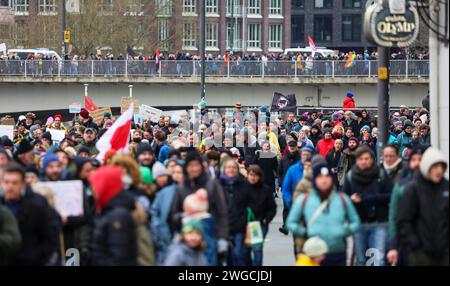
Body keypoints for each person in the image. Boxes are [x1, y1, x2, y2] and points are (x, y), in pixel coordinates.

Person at [287, 159, 360, 266]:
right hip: (314, 253)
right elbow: (291, 222)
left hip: (338, 252)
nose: (324, 180)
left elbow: (355, 222)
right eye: (320, 177)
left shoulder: (342, 199)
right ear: (315, 180)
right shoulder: (305, 199)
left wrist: (345, 231)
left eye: (327, 177)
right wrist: (305, 232)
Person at [170, 151, 229, 266]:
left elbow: (222, 212)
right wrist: (183, 218)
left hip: (209, 234)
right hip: (187, 233)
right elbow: (174, 213)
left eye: (196, 165)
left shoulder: (212, 184)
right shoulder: (181, 187)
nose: (194, 169)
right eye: (190, 166)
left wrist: (223, 237)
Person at [397, 147, 449, 266]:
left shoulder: (446, 187)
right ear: (427, 167)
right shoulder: (413, 188)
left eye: (441, 167)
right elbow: (404, 220)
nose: (439, 170)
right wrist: (415, 243)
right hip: (421, 254)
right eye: (435, 167)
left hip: (444, 252)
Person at [343, 145, 392, 266]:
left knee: (379, 260)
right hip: (359, 222)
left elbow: (390, 195)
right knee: (360, 259)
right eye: (361, 159)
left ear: (372, 159)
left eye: (366, 158)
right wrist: (351, 199)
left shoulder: (381, 174)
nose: (364, 161)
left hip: (379, 222)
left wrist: (373, 199)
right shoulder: (350, 176)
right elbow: (343, 198)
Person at [0, 163, 55, 265]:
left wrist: (37, 258)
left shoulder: (37, 206)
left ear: (23, 184)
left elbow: (49, 239)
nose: (10, 187)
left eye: (14, 183)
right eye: (6, 182)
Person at [387, 145, 427, 266]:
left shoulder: (438, 185)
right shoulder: (400, 186)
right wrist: (393, 245)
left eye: (420, 160)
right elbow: (393, 217)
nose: (417, 164)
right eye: (414, 160)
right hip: (406, 243)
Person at [89, 165, 137, 266]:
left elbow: (119, 258)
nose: (92, 190)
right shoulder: (108, 209)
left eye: (95, 185)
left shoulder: (118, 216)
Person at [219, 158, 250, 266]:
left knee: (238, 254)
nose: (231, 169)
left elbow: (249, 205)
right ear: (224, 169)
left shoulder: (244, 185)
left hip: (240, 226)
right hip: (223, 226)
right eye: (228, 167)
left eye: (233, 167)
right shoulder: (218, 185)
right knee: (226, 256)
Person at [151, 163, 183, 265]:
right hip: (165, 235)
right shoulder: (164, 192)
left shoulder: (193, 190)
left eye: (180, 172)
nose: (177, 175)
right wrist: (158, 226)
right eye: (174, 172)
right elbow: (154, 212)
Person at [246, 165, 277, 266]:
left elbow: (272, 208)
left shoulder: (266, 190)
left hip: (260, 223)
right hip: (245, 224)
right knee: (245, 251)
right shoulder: (243, 189)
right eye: (251, 175)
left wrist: (266, 219)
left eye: (255, 175)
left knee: (257, 249)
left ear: (260, 176)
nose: (253, 177)